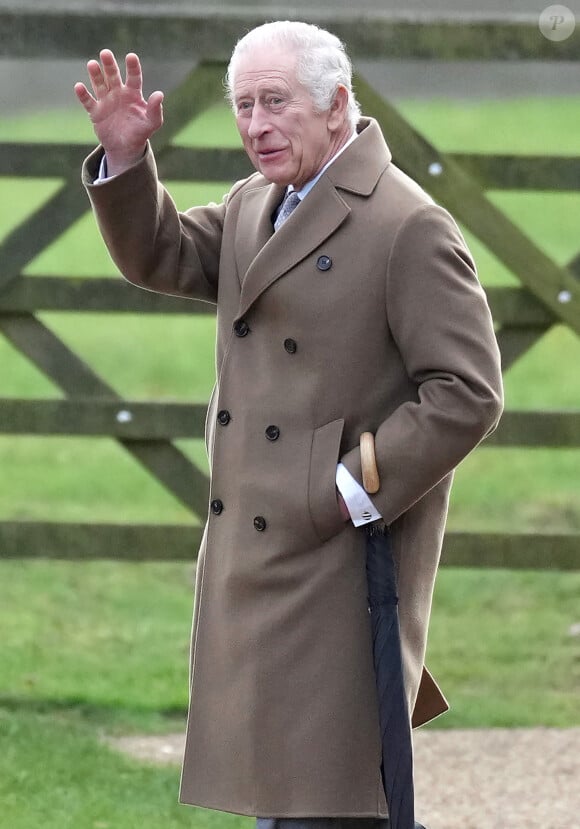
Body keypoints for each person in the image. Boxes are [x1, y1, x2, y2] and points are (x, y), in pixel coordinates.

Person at [75, 21, 503, 829]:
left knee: (331, 789)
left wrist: (349, 484)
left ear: (337, 105)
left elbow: (468, 388)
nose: (256, 124)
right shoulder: (252, 205)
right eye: (243, 106)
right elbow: (159, 252)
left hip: (341, 552)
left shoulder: (407, 225)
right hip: (260, 558)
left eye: (276, 102)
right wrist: (128, 162)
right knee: (286, 787)